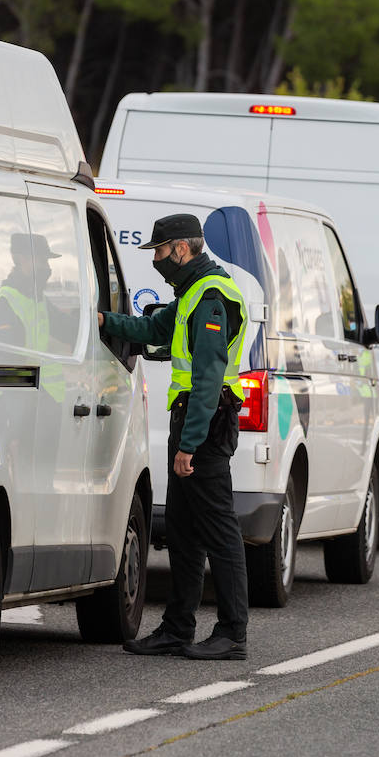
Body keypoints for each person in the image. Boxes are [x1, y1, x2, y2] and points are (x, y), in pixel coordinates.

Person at [99, 213, 251, 660]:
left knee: (219, 530)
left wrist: (189, 444)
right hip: (191, 418)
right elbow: (153, 329)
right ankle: (177, 627)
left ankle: (232, 634)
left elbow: (207, 376)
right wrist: (105, 321)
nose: (157, 261)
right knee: (184, 531)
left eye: (160, 252)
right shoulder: (191, 293)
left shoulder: (211, 295)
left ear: (182, 249)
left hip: (204, 421)